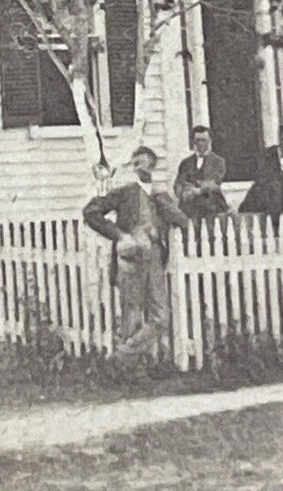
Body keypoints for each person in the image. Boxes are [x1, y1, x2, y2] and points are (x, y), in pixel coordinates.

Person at [83, 146, 189, 359]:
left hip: (155, 257)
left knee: (160, 317)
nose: (140, 168)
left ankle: (122, 355)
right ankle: (131, 371)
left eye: (144, 163)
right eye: (136, 163)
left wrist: (162, 202)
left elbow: (182, 221)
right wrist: (119, 235)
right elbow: (91, 211)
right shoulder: (124, 192)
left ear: (153, 165)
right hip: (130, 258)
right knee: (131, 314)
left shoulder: (160, 195)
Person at [174, 126, 230, 222]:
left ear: (210, 141)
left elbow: (215, 182)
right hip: (190, 202)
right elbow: (179, 182)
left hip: (211, 201)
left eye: (204, 140)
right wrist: (183, 192)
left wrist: (198, 191)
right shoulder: (186, 162)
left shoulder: (218, 161)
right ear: (193, 142)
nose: (200, 143)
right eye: (197, 140)